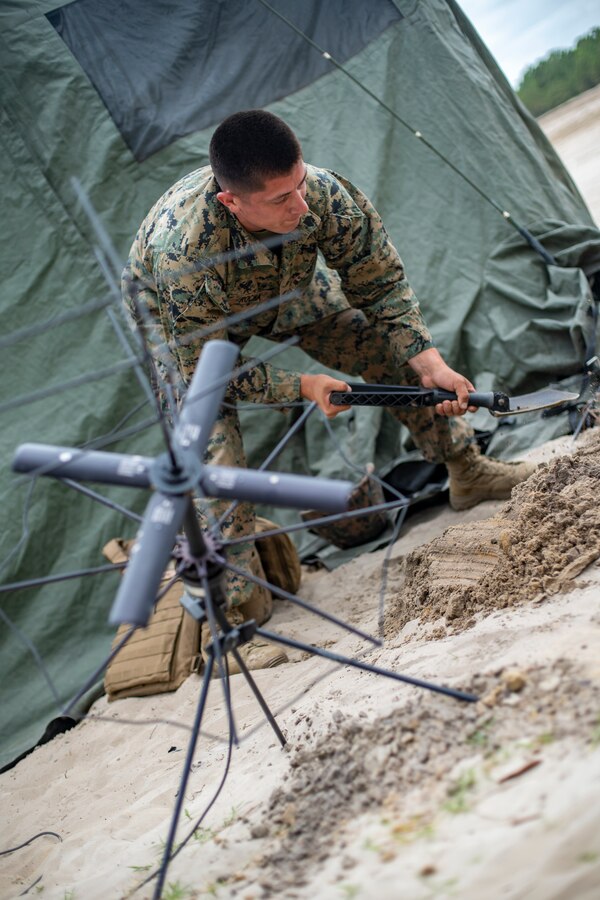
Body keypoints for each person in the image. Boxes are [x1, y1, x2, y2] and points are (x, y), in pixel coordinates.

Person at [122, 109, 535, 669]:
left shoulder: (318, 193)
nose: (302, 207)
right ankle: (230, 629)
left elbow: (377, 277)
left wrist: (427, 358)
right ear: (232, 203)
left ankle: (465, 468)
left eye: (300, 186)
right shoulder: (184, 254)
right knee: (210, 454)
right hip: (186, 332)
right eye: (281, 200)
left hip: (284, 286)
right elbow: (209, 375)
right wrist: (304, 384)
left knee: (385, 349)